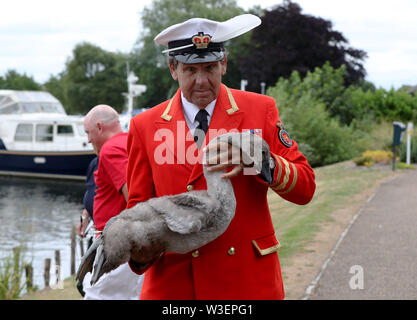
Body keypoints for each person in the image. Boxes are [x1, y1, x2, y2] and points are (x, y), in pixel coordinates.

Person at [126, 14, 316, 300]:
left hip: (246, 282)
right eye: (191, 70)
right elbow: (137, 209)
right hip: (175, 287)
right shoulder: (145, 125)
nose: (202, 81)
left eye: (210, 68)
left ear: (224, 64)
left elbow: (305, 188)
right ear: (172, 69)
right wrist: (140, 244)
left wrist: (263, 161)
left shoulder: (260, 109)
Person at [81, 104, 144, 300]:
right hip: (129, 244)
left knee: (97, 296)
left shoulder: (110, 149)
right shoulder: (128, 142)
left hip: (118, 244)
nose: (88, 139)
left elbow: (134, 194)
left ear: (99, 127)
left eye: (88, 133)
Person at [76, 156, 98, 238]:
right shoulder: (94, 163)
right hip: (95, 229)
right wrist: (84, 217)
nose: (89, 142)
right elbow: (91, 191)